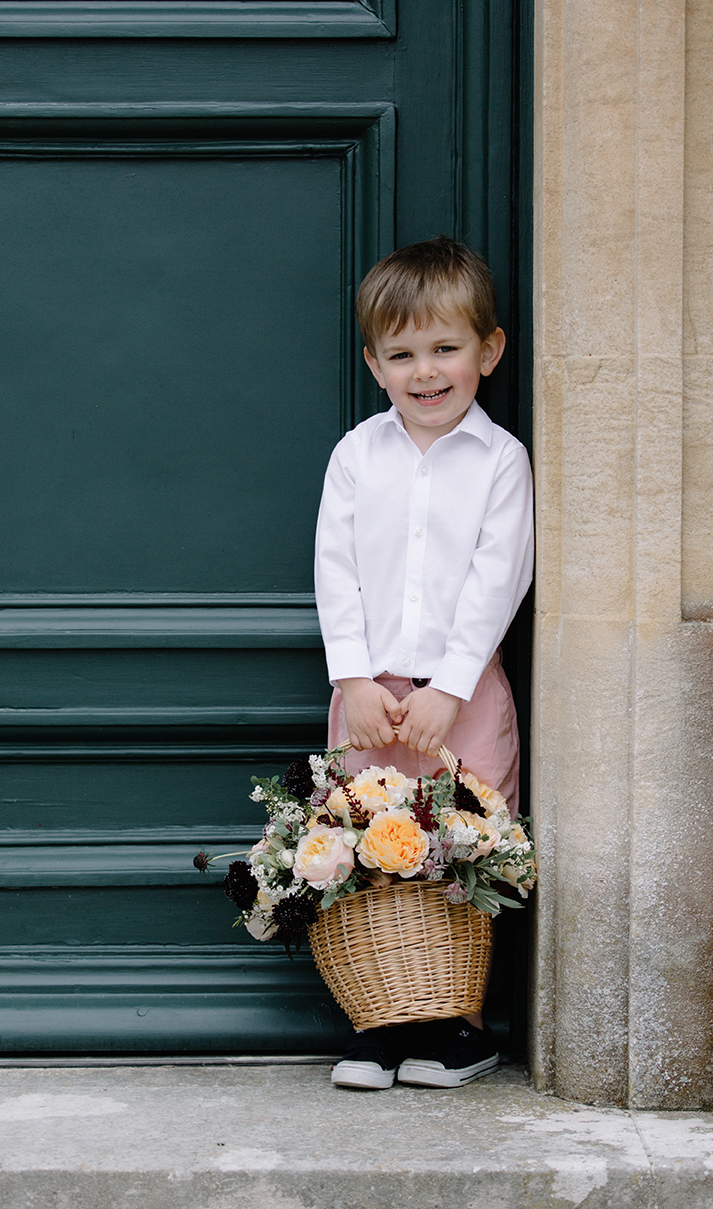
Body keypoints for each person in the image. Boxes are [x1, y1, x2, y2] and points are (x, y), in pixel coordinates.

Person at [314, 235, 534, 1090]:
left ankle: (457, 1023)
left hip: (462, 697)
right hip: (368, 692)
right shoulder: (356, 455)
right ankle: (380, 1019)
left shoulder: (500, 460)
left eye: (445, 349)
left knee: (462, 845)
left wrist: (449, 684)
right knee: (363, 841)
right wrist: (353, 675)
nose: (425, 371)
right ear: (375, 364)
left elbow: (498, 575)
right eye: (402, 354)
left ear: (488, 350)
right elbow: (334, 567)